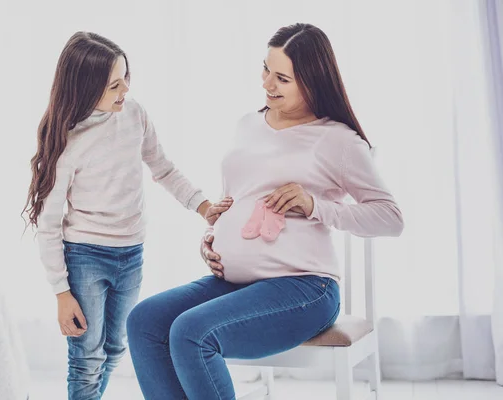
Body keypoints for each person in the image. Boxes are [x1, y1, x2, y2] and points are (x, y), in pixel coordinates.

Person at [127, 23, 404, 400]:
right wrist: (212, 239)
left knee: (192, 332)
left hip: (306, 287)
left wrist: (315, 206)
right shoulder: (248, 125)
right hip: (236, 284)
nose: (266, 83)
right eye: (265, 70)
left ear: (312, 81)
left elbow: (390, 218)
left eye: (282, 78)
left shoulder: (338, 140)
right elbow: (236, 199)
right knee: (144, 321)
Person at [21, 32, 230, 399]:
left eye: (126, 78)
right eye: (114, 85)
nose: (125, 90)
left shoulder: (134, 115)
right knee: (86, 355)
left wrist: (202, 206)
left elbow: (162, 168)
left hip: (131, 254)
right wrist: (61, 293)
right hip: (85, 255)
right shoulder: (68, 140)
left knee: (115, 349)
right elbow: (49, 225)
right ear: (86, 89)